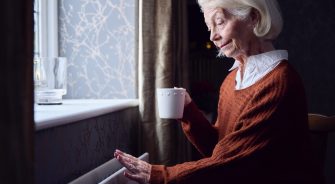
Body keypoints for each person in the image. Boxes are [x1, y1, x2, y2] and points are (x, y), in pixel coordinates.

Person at [114, 0, 324, 183]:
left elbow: (230, 164)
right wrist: (188, 111)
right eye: (209, 26)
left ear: (253, 17)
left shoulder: (279, 83)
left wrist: (159, 175)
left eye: (220, 22)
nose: (213, 36)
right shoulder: (232, 80)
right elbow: (221, 149)